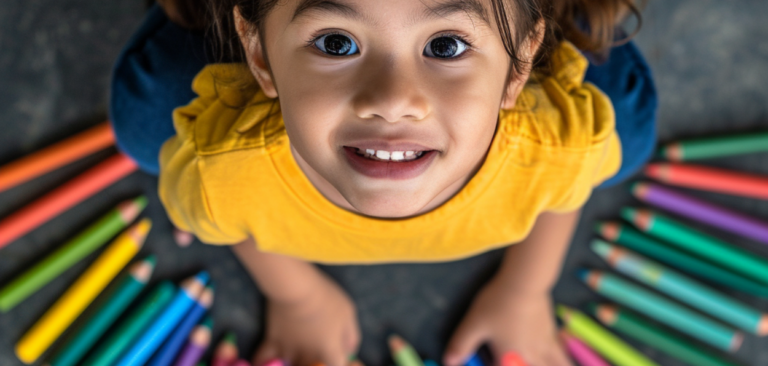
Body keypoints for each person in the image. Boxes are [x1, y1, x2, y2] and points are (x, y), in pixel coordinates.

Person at [110, 0, 657, 365]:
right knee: (148, 121)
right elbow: (226, 207)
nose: (393, 100)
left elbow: (566, 185)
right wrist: (295, 295)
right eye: (336, 43)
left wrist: (525, 289)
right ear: (257, 54)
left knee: (624, 136)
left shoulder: (562, 146)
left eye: (445, 46)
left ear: (519, 68)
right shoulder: (216, 170)